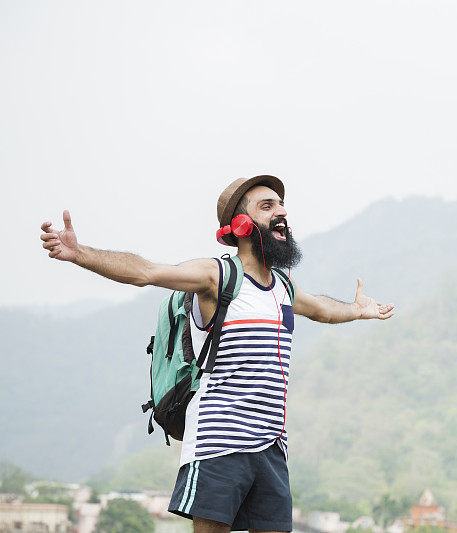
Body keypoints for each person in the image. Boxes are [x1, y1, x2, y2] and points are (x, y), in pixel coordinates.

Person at [39, 175, 395, 533]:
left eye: (282, 206)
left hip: (271, 447)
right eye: (267, 206)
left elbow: (322, 309)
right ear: (240, 225)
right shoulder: (217, 275)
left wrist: (357, 309)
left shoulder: (283, 287)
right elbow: (145, 273)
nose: (282, 213)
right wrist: (79, 253)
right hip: (218, 442)